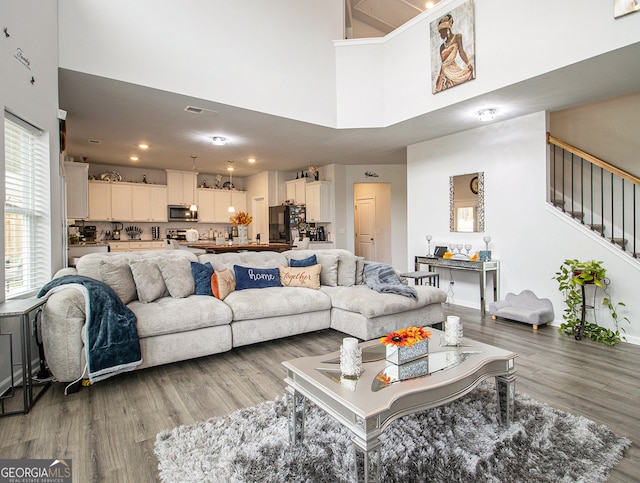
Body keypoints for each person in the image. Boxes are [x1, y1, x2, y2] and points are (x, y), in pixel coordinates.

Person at [434, 14, 474, 93]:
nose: (440, 34)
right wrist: (439, 77)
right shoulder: (441, 47)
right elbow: (443, 64)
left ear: (447, 29)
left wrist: (468, 64)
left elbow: (461, 52)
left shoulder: (457, 37)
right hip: (445, 72)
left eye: (441, 32)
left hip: (454, 69)